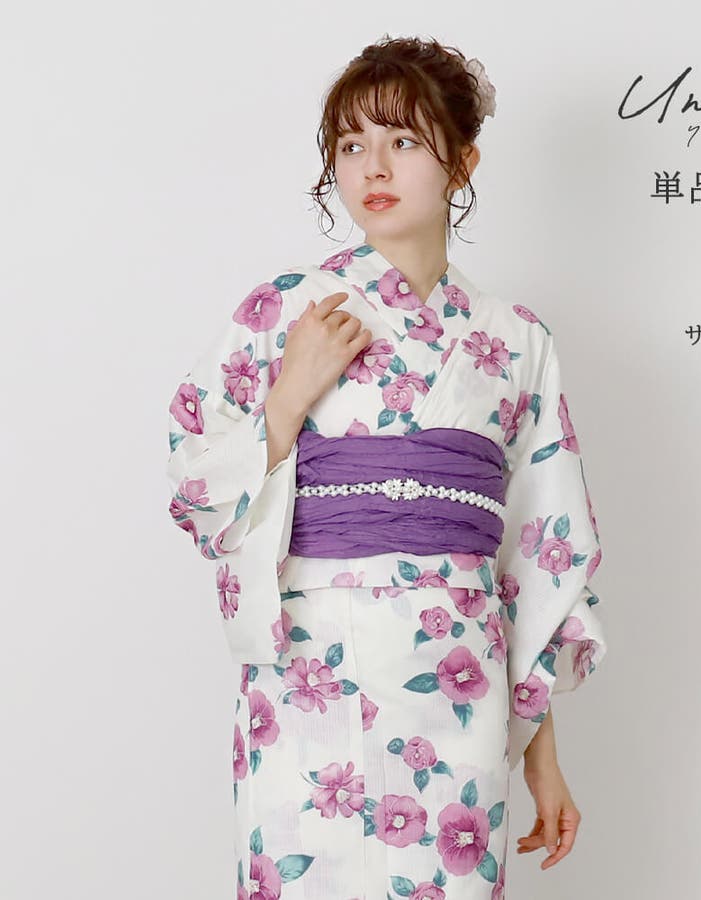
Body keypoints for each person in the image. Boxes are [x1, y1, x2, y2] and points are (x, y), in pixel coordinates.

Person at [166, 34, 607, 899]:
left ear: (462, 161)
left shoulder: (516, 340)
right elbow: (194, 487)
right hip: (308, 667)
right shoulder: (282, 312)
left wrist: (542, 757)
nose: (373, 166)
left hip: (457, 679)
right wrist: (288, 397)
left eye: (403, 140)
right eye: (350, 144)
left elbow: (538, 556)